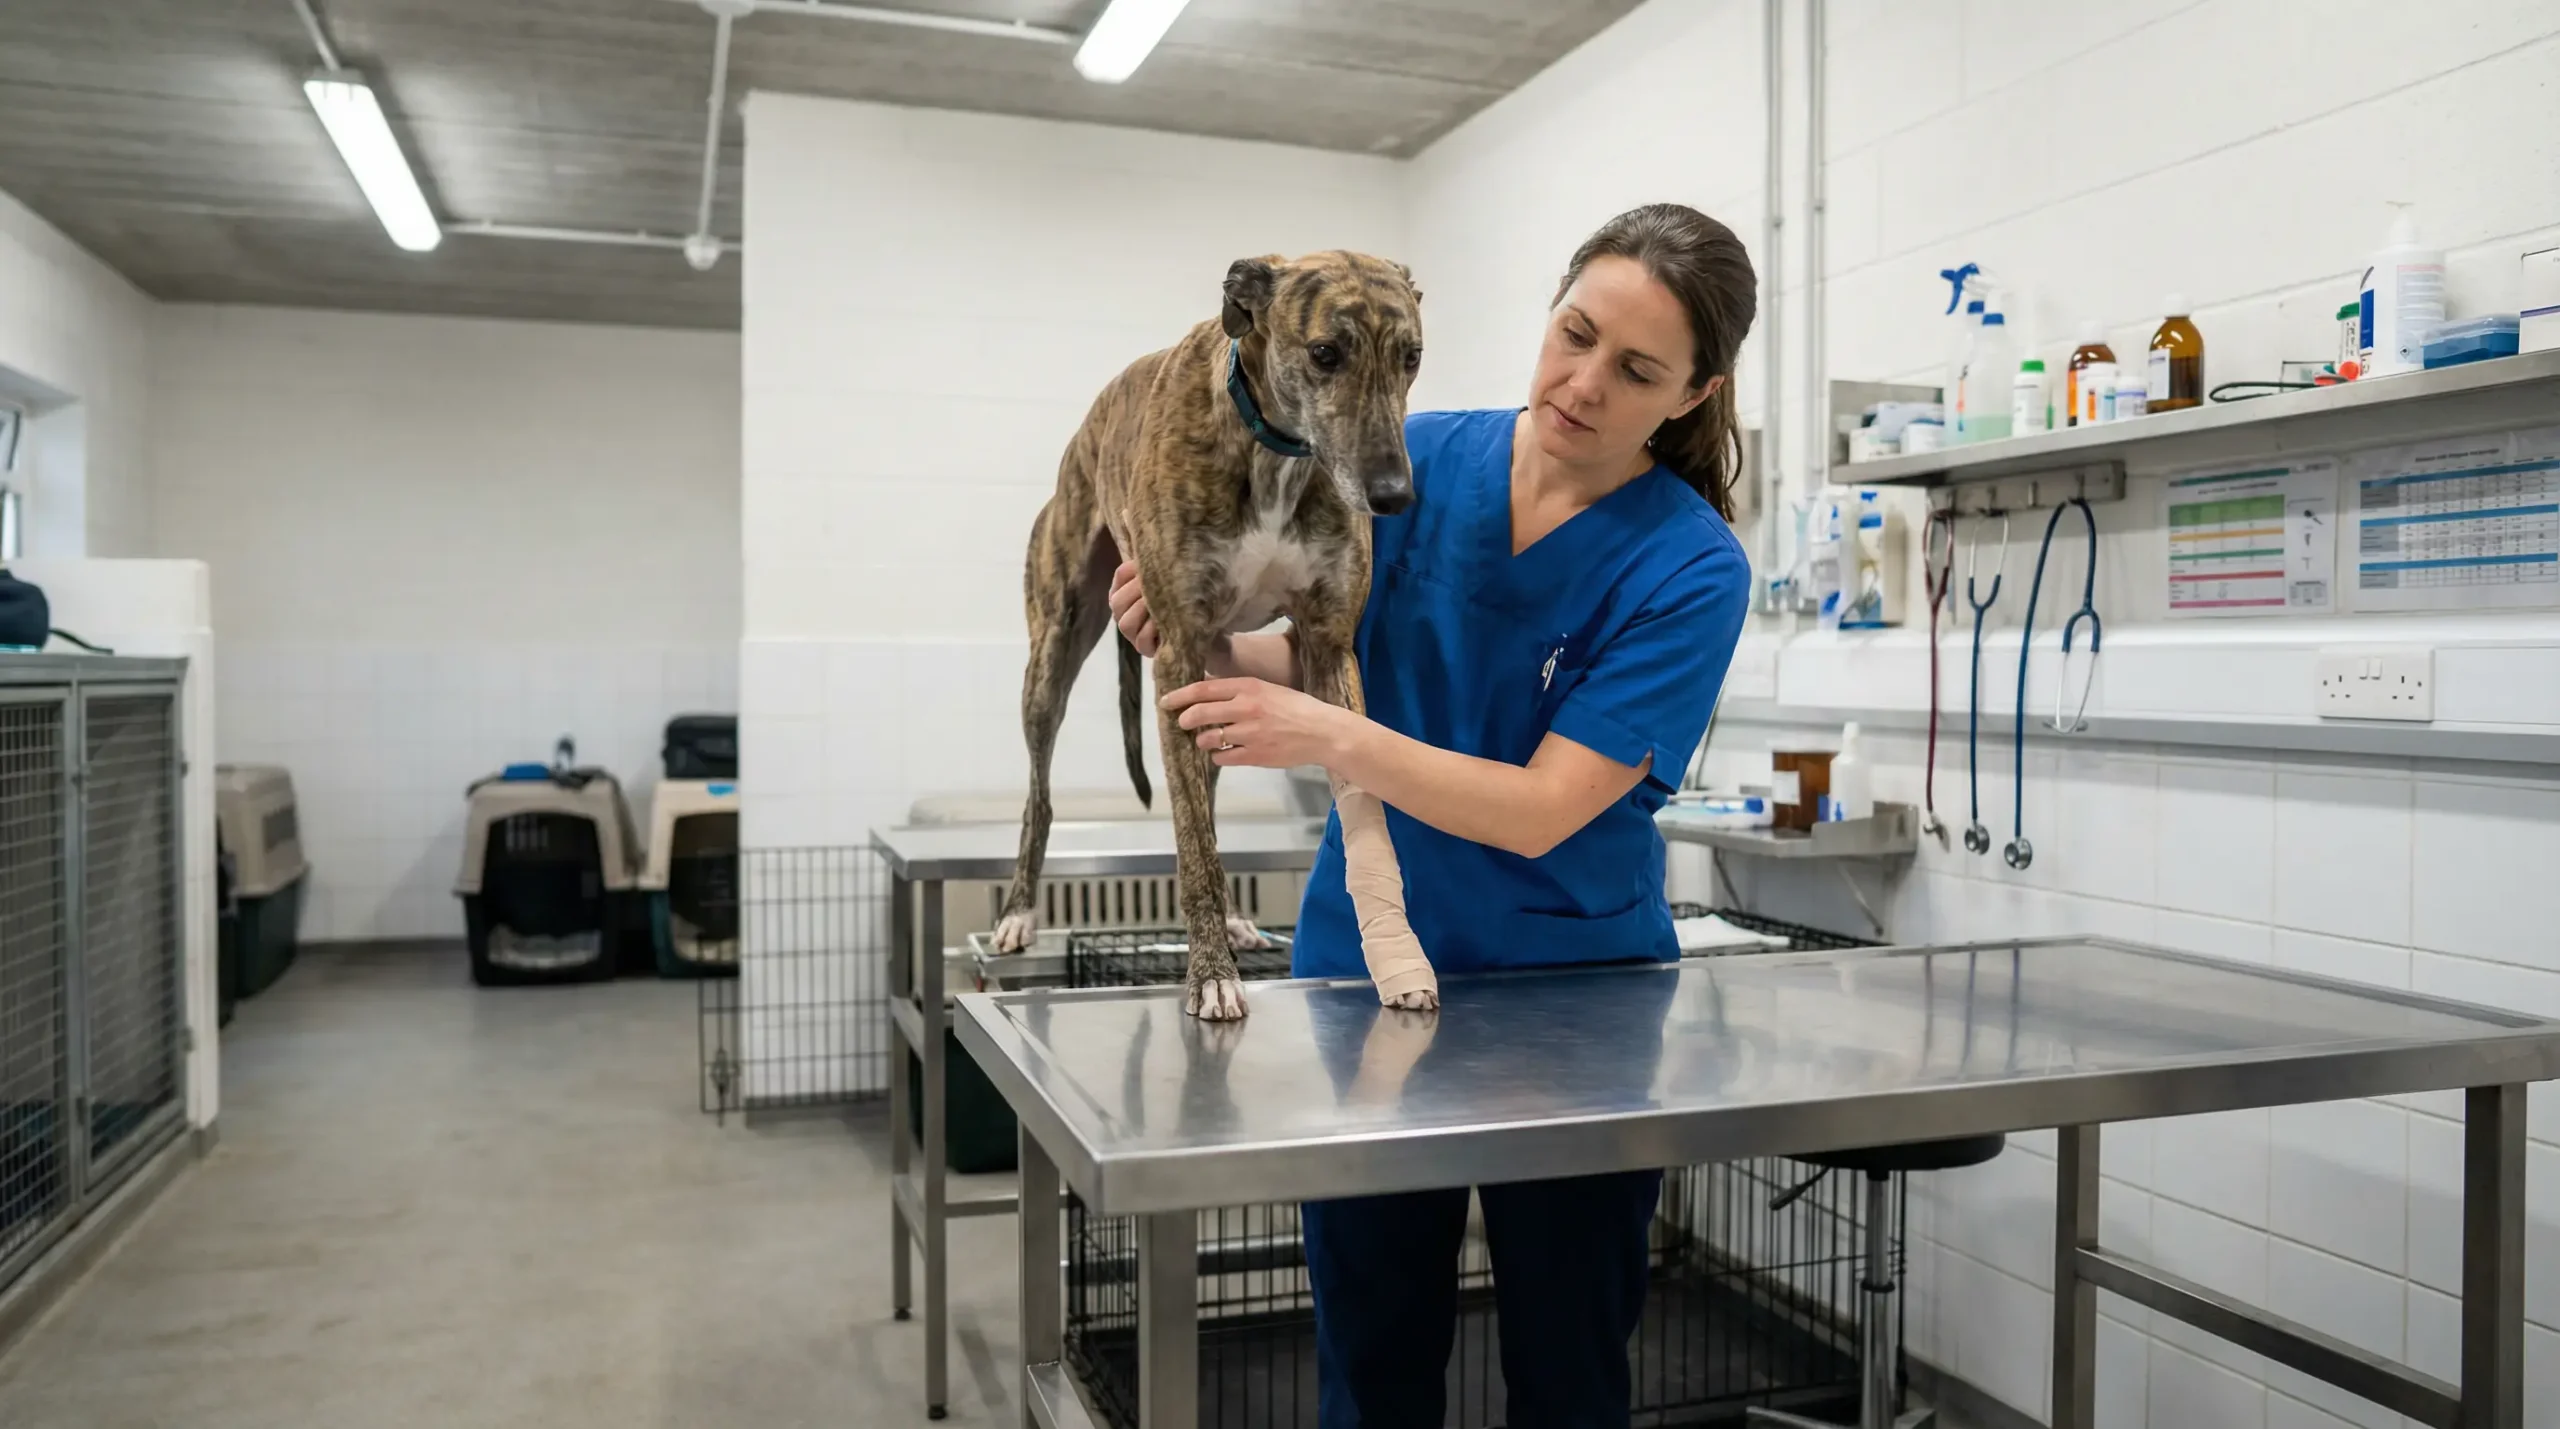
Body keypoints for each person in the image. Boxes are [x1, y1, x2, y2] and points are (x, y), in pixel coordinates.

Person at [1110, 203, 1755, 1428]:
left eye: (1635, 371)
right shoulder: (1419, 460)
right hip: (1368, 979)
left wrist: (1330, 736)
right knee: (1373, 1354)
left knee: (1570, 1371)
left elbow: (1545, 809)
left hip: (1573, 1006)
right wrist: (1200, 637)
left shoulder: (1691, 566)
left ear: (1689, 394)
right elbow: (1322, 654)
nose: (1581, 383)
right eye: (1573, 334)